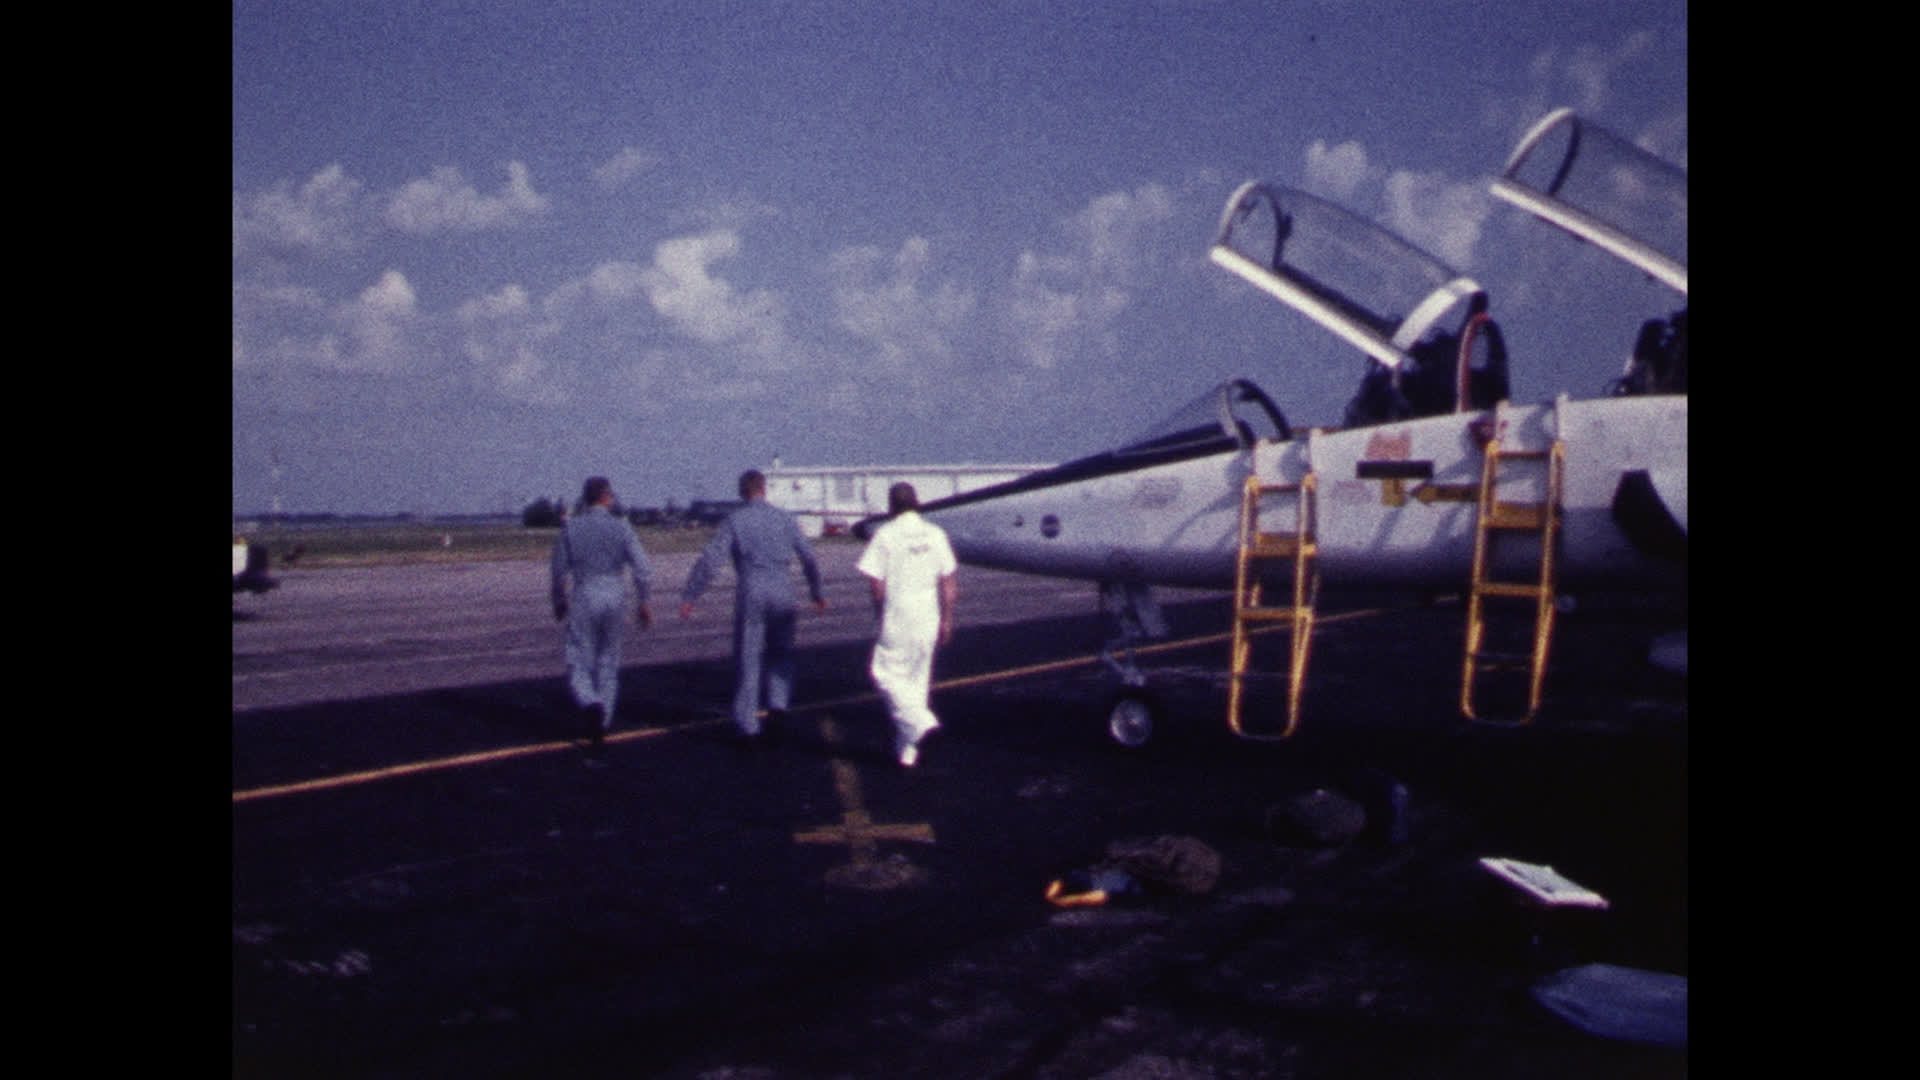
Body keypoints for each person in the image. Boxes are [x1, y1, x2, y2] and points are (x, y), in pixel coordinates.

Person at [679, 469, 826, 738]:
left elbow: (711, 560)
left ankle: (748, 726)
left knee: (748, 657)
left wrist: (691, 594)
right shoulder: (785, 519)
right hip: (782, 589)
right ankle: (778, 706)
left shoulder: (735, 520)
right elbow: (808, 557)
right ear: (764, 489)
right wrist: (817, 591)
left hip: (752, 589)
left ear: (742, 492)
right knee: (781, 653)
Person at [856, 482, 958, 767]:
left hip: (899, 613)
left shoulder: (885, 535)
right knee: (916, 681)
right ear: (917, 502)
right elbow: (948, 583)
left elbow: (876, 584)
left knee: (883, 672)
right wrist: (947, 620)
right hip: (928, 614)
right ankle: (908, 753)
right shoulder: (936, 534)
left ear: (891, 507)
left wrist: (881, 615)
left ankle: (924, 724)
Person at [550, 476, 653, 747]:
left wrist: (559, 601)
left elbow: (559, 570)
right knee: (608, 660)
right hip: (615, 594)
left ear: (586, 498)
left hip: (585, 592)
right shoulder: (622, 527)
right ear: (608, 497)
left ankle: (589, 701)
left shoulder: (571, 528)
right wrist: (644, 601)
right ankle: (602, 723)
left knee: (578, 658)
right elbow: (642, 569)